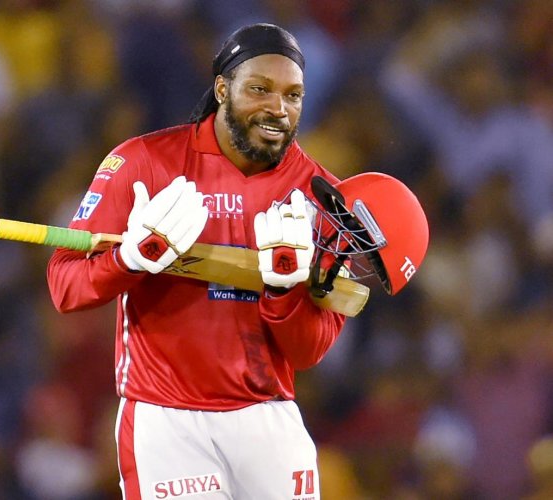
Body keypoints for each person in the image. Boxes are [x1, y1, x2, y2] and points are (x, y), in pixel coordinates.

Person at [47, 23, 428, 499]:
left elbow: (309, 353)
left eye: (293, 95)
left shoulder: (325, 198)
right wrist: (129, 259)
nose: (278, 108)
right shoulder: (141, 162)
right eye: (260, 89)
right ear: (222, 88)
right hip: (167, 419)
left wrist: (283, 292)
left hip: (267, 415)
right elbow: (65, 287)